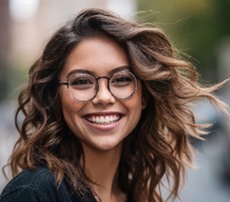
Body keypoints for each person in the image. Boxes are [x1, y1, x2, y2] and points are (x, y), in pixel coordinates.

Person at [0, 8, 228, 202]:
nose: (104, 97)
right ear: (55, 96)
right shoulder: (33, 194)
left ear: (144, 96)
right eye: (82, 81)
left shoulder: (132, 192)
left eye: (121, 79)